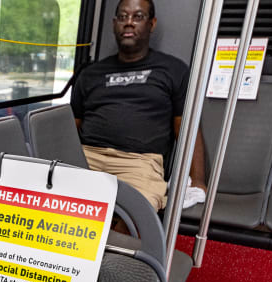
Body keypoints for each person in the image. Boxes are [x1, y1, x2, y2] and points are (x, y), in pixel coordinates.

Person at [71, 0, 206, 211]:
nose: (129, 22)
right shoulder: (90, 74)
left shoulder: (173, 70)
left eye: (138, 17)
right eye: (123, 17)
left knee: (138, 211)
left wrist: (197, 180)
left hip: (140, 163)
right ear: (114, 24)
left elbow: (187, 129)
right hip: (88, 156)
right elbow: (72, 126)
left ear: (151, 24)